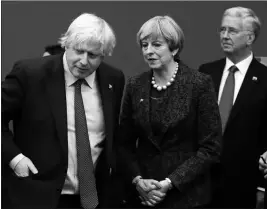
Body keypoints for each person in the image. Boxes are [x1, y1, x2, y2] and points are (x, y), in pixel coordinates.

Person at [2, 13, 125, 209]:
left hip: (92, 199)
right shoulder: (31, 74)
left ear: (104, 55)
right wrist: (15, 159)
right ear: (66, 44)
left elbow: (113, 136)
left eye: (93, 55)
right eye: (79, 51)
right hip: (36, 194)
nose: (84, 61)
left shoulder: (114, 79)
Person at [118, 15, 222, 208]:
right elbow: (123, 143)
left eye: (157, 45)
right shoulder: (135, 85)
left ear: (174, 48)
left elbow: (211, 148)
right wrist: (138, 180)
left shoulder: (199, 84)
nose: (149, 51)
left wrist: (170, 183)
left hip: (187, 196)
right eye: (144, 45)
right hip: (144, 196)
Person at [198, 6, 267, 208]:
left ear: (250, 38)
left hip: (242, 183)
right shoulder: (206, 72)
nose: (225, 36)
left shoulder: (264, 79)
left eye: (232, 31)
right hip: (202, 180)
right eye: (222, 30)